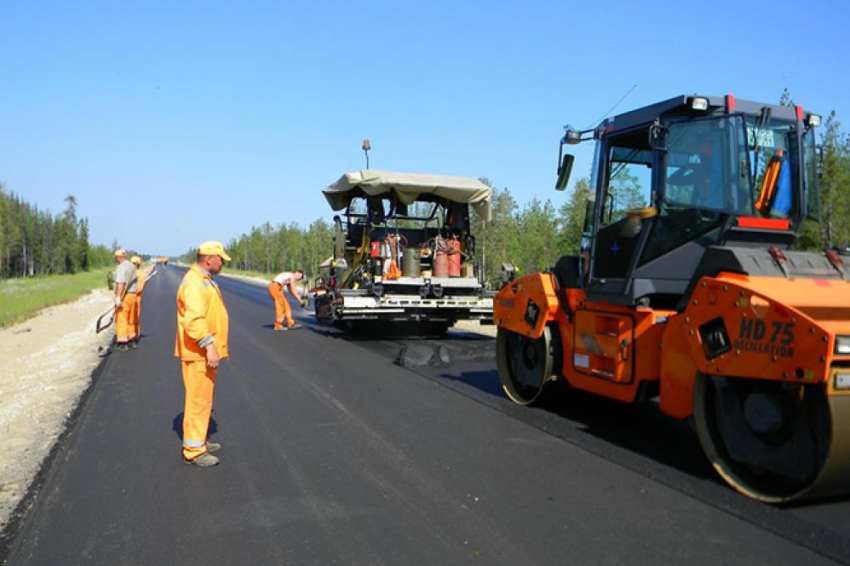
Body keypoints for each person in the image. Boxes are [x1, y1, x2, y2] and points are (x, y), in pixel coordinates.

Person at [175, 241, 230, 467]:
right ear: (209, 259)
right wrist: (209, 345)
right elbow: (194, 320)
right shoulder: (195, 282)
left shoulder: (204, 280)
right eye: (220, 259)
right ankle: (194, 451)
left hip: (202, 352)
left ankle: (200, 440)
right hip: (198, 352)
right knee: (198, 400)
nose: (223, 263)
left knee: (204, 399)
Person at [112, 249, 139, 351]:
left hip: (125, 296)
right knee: (131, 319)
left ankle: (123, 343)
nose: (115, 259)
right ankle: (132, 340)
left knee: (121, 318)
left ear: (118, 257)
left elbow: (121, 283)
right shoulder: (132, 266)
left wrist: (118, 297)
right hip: (133, 296)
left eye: (116, 258)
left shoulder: (121, 267)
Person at [130, 256, 146, 341]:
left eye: (133, 264)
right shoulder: (134, 273)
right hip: (132, 298)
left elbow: (138, 288)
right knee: (132, 317)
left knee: (133, 317)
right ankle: (133, 333)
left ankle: (134, 335)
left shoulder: (139, 274)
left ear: (137, 264)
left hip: (135, 298)